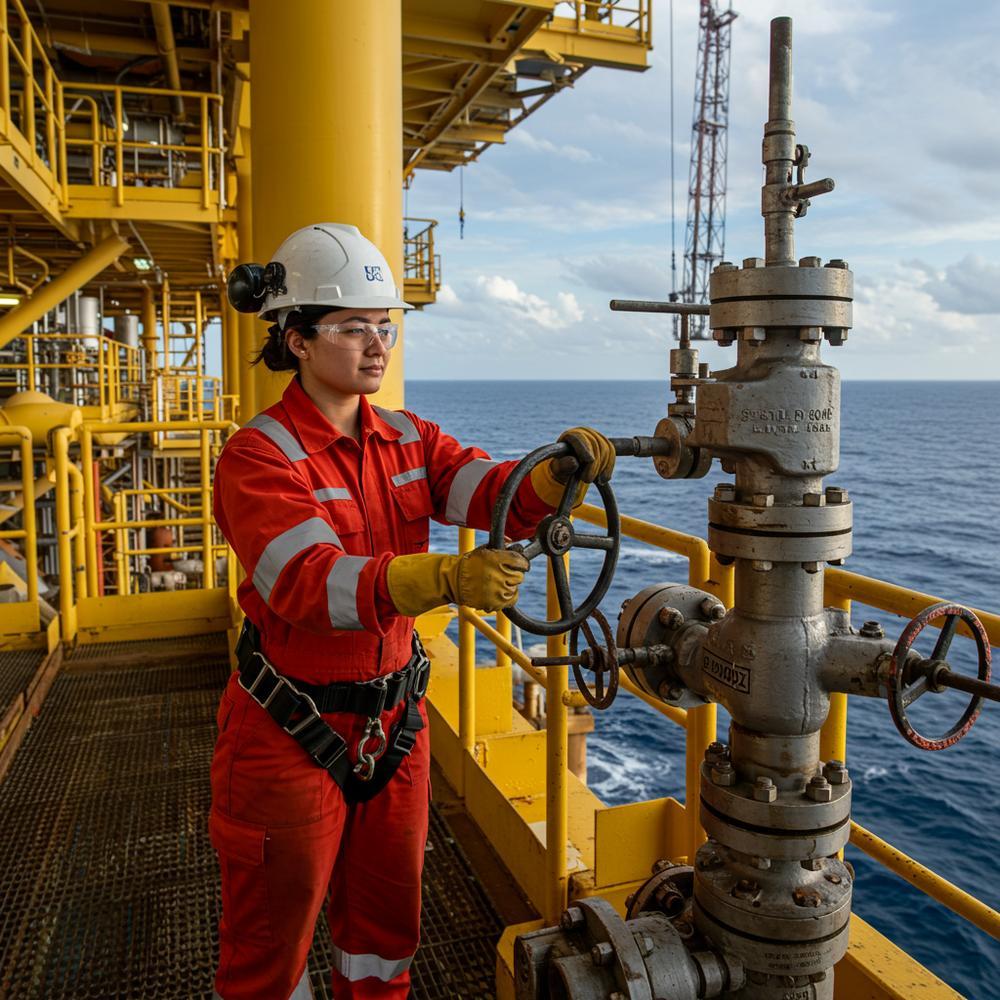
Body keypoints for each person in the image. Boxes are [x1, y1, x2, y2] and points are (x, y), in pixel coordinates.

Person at [210, 223, 615, 1000]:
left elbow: (489, 493)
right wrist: (448, 579)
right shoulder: (258, 456)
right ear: (295, 339)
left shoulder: (407, 437)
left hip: (394, 728)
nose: (378, 344)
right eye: (354, 327)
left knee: (386, 934)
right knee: (270, 948)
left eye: (386, 325)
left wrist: (555, 477)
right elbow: (307, 580)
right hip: (289, 732)